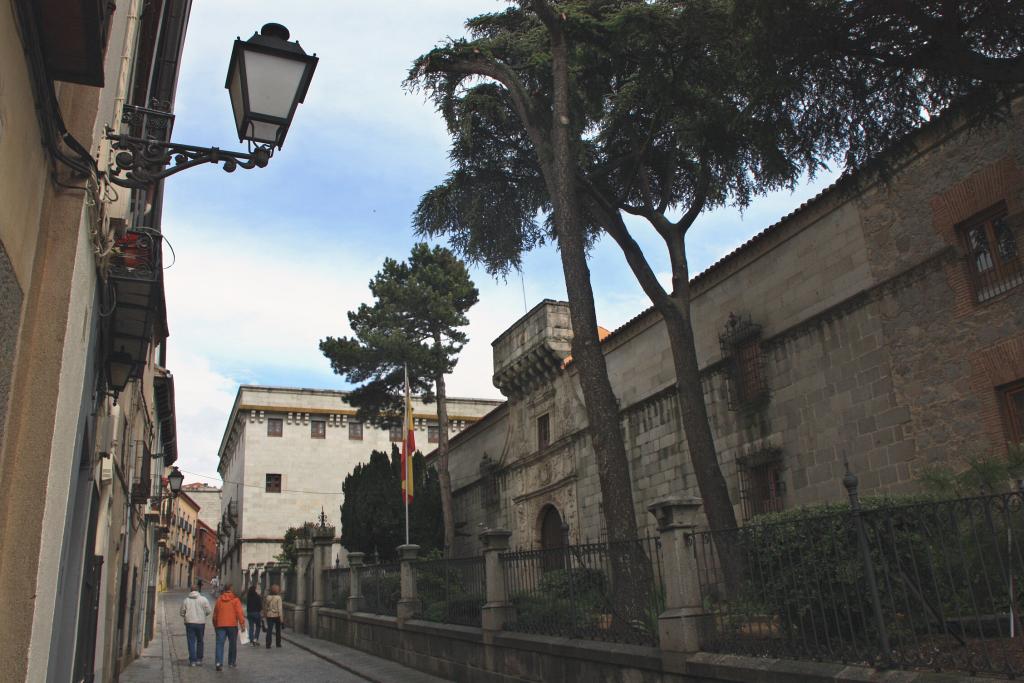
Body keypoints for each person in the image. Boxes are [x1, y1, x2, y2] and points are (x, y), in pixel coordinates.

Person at [212, 583, 246, 671]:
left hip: (220, 625)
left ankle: (218, 662)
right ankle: (231, 662)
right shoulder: (235, 600)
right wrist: (242, 624)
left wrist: (215, 624)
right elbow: (239, 613)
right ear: (231, 589)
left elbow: (215, 613)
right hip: (232, 625)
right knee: (232, 644)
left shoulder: (219, 600)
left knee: (219, 644)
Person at [180, 583, 212, 667]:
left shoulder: (186, 600)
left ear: (190, 590)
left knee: (191, 641)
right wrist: (203, 615)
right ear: (198, 590)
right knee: (200, 641)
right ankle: (199, 659)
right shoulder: (203, 599)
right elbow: (209, 610)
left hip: (190, 623)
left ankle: (192, 661)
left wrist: (185, 616)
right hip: (201, 623)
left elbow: (182, 612)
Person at [263, 584, 283, 649]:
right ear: (277, 590)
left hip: (269, 615)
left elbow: (265, 607)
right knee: (278, 630)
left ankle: (268, 644)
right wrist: (281, 619)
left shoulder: (268, 597)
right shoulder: (278, 598)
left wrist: (265, 615)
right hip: (277, 615)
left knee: (269, 630)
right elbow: (280, 609)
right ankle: (278, 643)